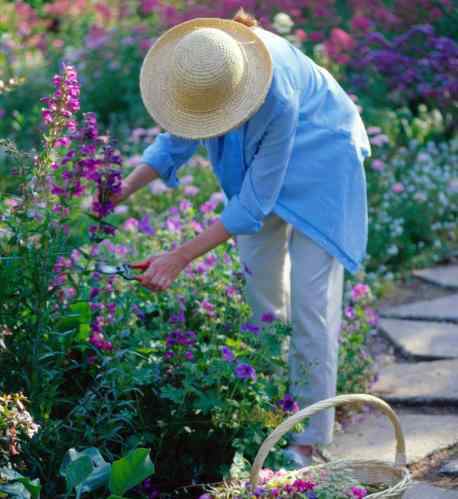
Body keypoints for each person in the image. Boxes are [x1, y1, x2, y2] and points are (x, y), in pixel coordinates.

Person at [108, 9, 371, 466]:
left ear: (238, 97)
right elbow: (174, 144)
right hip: (263, 167)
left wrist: (179, 256)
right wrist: (116, 191)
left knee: (312, 304)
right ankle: (267, 412)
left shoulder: (276, 97)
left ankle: (307, 439)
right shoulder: (204, 71)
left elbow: (252, 203)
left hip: (324, 160)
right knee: (261, 298)